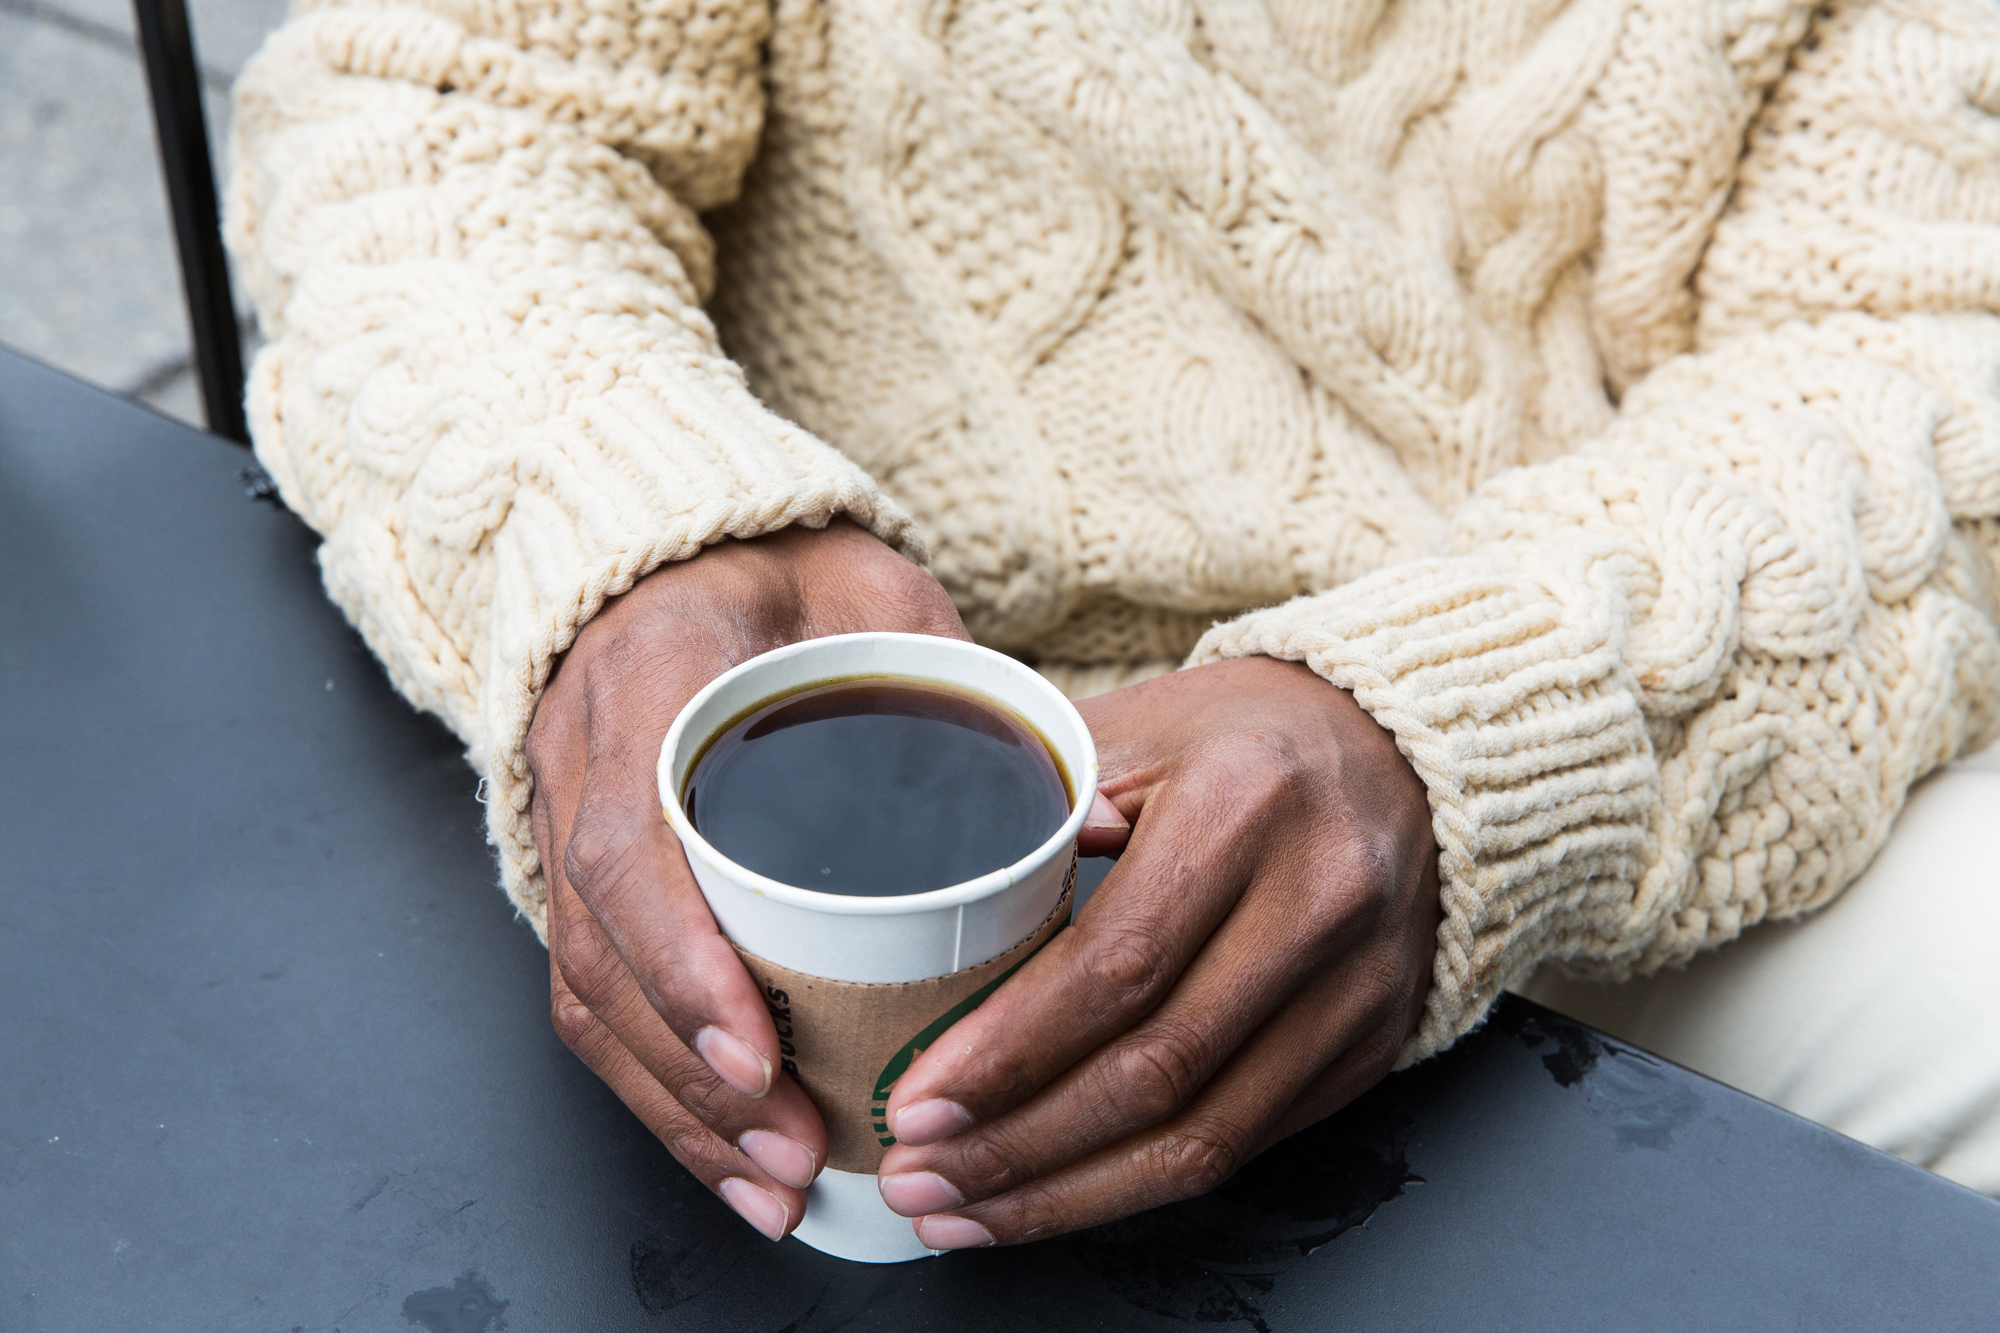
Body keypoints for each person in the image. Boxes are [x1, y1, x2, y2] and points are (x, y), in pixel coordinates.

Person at [224, 0, 2000, 1245]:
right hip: (792, 706)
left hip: (1574, 731)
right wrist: (624, 526)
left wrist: (1469, 719)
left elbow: (1929, 347)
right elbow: (445, 105)